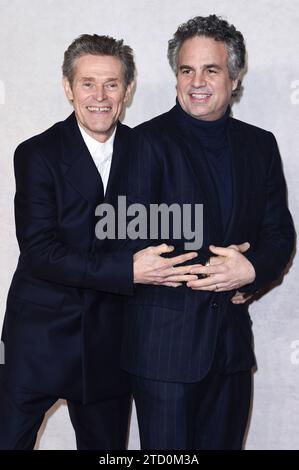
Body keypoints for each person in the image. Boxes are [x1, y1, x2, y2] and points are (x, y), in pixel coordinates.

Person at [0, 34, 198, 450]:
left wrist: (230, 260)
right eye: (88, 83)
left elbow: (175, 226)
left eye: (111, 84)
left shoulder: (149, 150)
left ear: (127, 89)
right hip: (39, 338)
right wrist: (127, 270)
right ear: (68, 87)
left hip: (113, 342)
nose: (100, 96)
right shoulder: (35, 154)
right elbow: (40, 252)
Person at [121, 15, 295, 450]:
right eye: (187, 70)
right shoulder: (143, 142)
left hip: (231, 350)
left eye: (211, 70)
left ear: (234, 78)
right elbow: (125, 230)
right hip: (164, 351)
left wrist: (250, 269)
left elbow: (280, 234)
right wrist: (215, 266)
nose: (197, 81)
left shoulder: (261, 145)